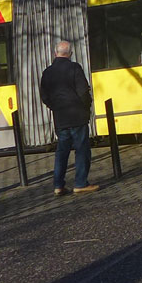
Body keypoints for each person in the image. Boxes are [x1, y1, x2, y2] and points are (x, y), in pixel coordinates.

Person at [39, 40, 98, 195]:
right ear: (70, 54)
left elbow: (44, 96)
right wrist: (86, 107)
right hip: (77, 116)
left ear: (55, 53)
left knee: (62, 151)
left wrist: (56, 107)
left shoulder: (47, 72)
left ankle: (58, 185)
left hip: (61, 118)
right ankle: (80, 183)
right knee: (82, 150)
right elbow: (83, 92)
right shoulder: (74, 68)